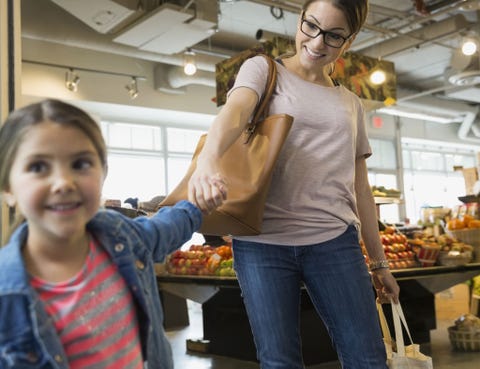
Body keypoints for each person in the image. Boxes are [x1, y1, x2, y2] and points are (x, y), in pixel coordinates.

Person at [188, 1, 400, 368]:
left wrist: (380, 263)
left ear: (348, 42)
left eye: (334, 36)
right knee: (279, 361)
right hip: (261, 244)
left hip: (335, 242)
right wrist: (207, 158)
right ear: (300, 20)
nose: (317, 43)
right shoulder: (264, 70)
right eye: (311, 26)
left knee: (368, 357)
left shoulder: (350, 103)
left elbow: (360, 189)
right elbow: (236, 111)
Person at [0, 99, 226, 369]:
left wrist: (197, 205)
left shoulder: (119, 236)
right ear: (7, 188)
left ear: (103, 172)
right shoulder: (7, 294)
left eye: (81, 163)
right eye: (38, 167)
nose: (63, 182)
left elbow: (165, 229)